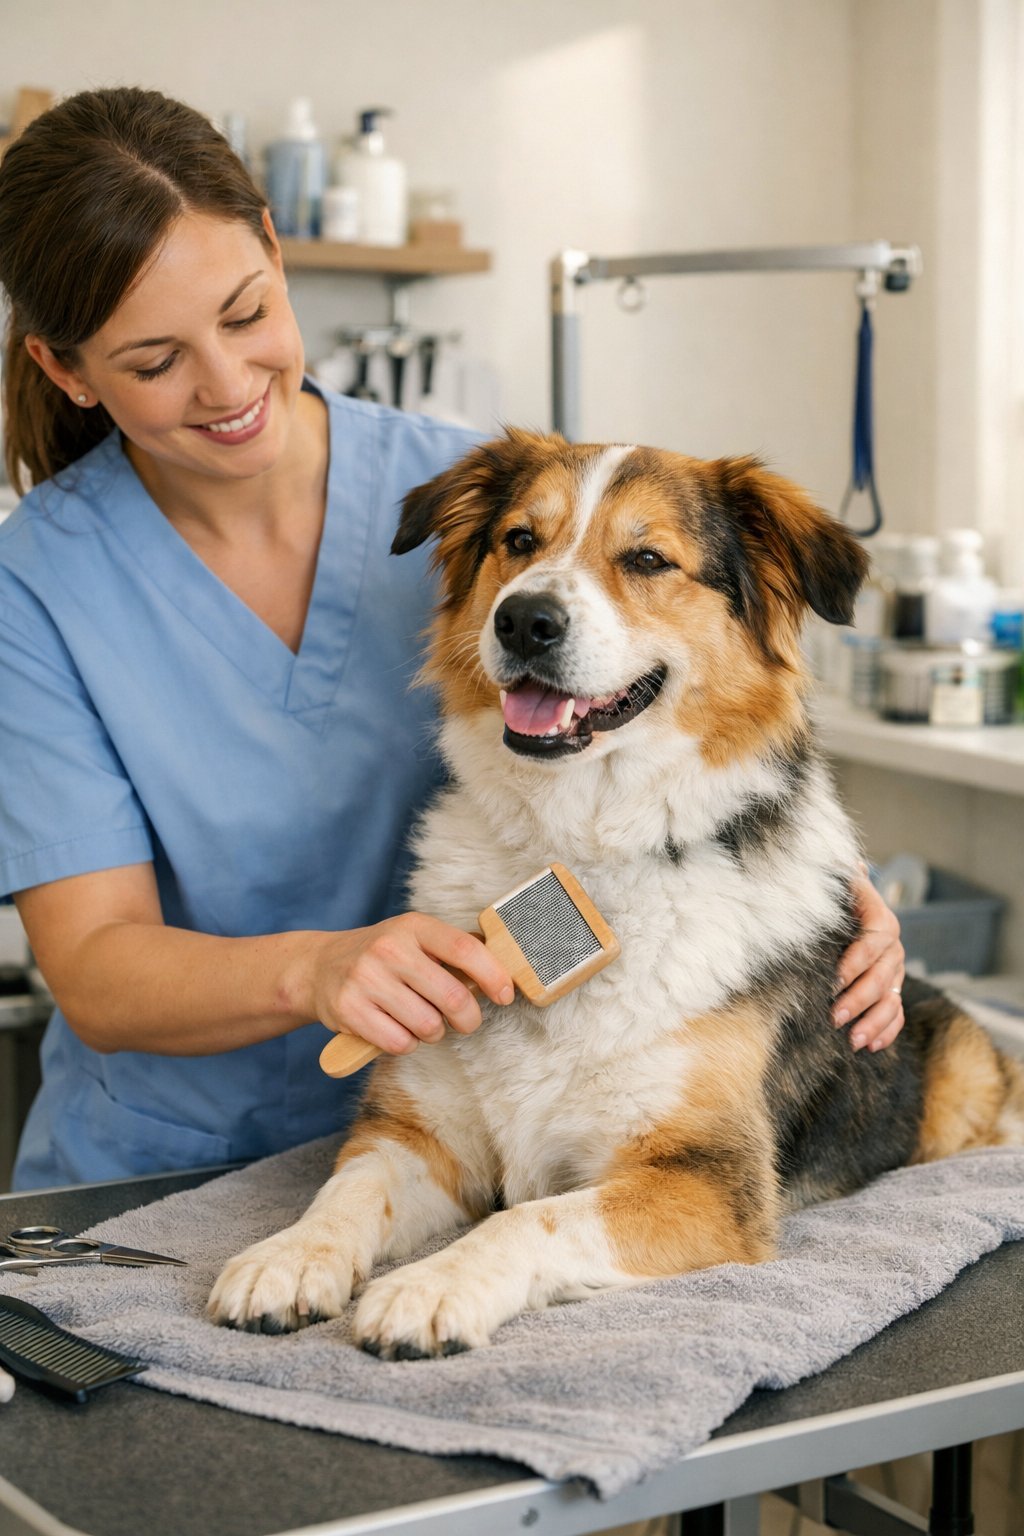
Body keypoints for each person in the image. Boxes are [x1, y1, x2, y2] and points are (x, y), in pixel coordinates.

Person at [0, 88, 906, 1192]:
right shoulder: (38, 584)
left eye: (245, 315)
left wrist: (825, 901)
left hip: (482, 1149)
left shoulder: (483, 507)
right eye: (153, 362)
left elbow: (656, 751)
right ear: (66, 370)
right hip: (157, 1178)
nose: (229, 386)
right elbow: (93, 968)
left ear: (277, 253)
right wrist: (315, 971)